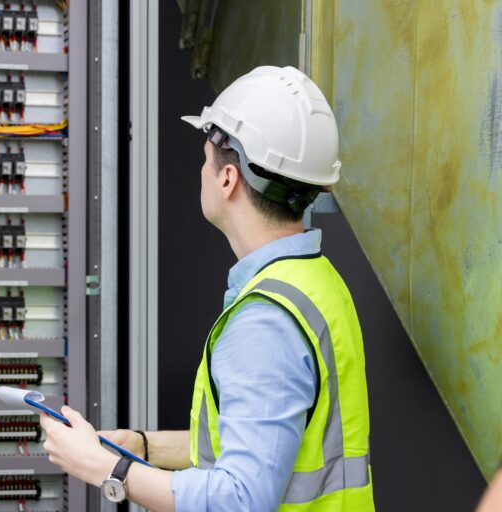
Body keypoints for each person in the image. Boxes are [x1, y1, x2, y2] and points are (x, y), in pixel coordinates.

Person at [39, 65, 375, 511]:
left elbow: (239, 499)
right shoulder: (315, 282)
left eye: (204, 158)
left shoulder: (265, 321)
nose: (201, 169)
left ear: (227, 178)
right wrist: (143, 447)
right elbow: (265, 441)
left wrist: (107, 470)